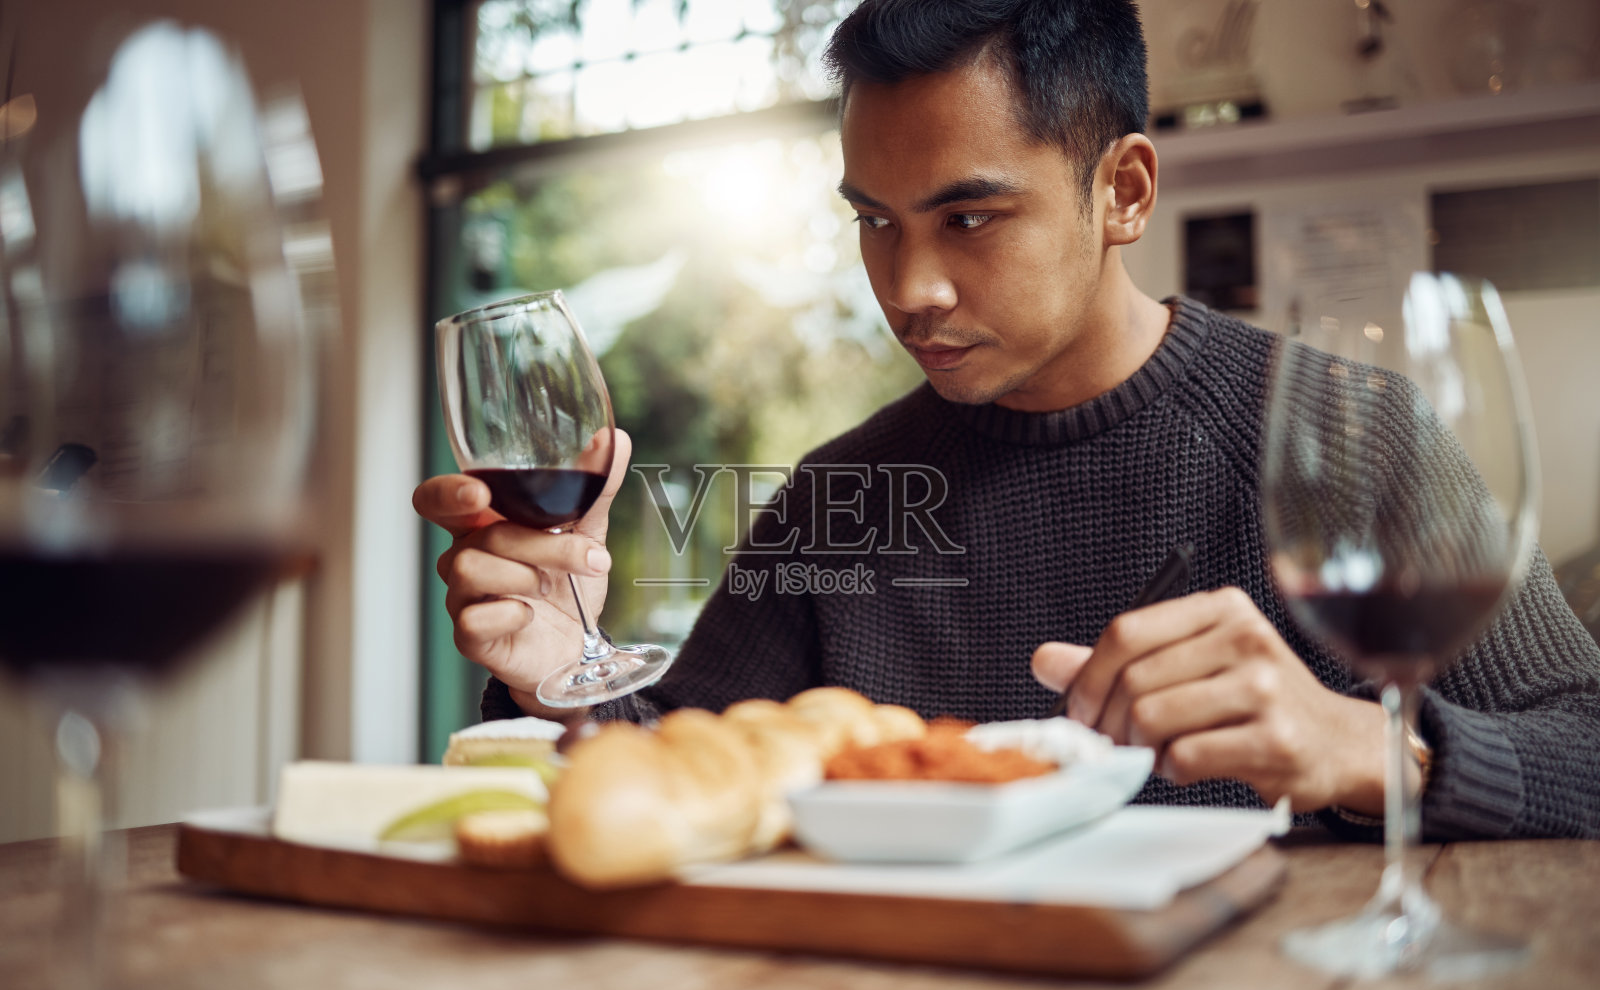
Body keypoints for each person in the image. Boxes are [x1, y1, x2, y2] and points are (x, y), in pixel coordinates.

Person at [413, 0, 1600, 840]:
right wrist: (557, 671)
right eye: (875, 220)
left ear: (1123, 191)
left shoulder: (1352, 436)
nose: (909, 285)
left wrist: (1366, 750)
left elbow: (1585, 747)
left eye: (969, 219)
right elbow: (680, 763)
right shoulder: (844, 493)